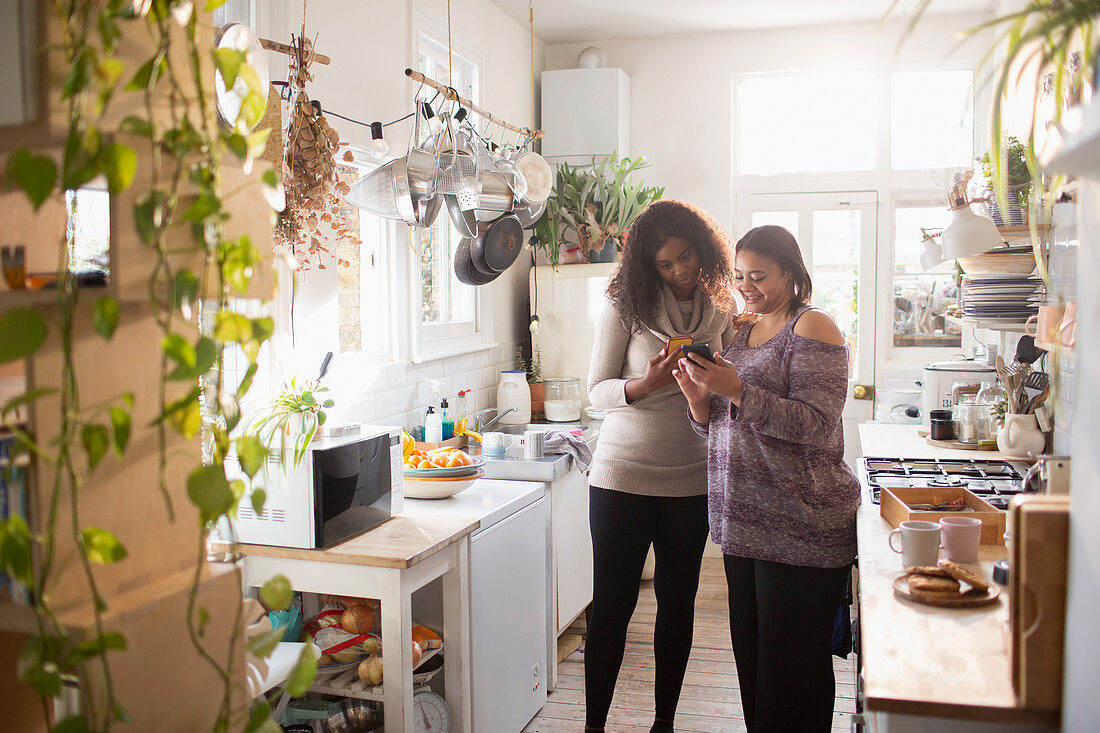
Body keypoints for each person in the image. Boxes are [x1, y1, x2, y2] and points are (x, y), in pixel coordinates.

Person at [672, 224, 859, 733]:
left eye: (759, 275)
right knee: (755, 667)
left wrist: (735, 391)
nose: (746, 285)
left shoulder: (813, 327)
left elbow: (818, 426)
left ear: (792, 274)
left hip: (801, 526)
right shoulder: (743, 331)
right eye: (739, 275)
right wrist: (699, 402)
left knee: (792, 676)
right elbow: (725, 424)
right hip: (743, 526)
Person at [585, 199, 741, 733]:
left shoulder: (721, 309)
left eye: (686, 257)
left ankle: (664, 723)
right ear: (645, 266)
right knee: (612, 607)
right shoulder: (624, 308)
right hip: (622, 475)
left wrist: (710, 383)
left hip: (691, 477)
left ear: (703, 249)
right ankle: (593, 726)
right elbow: (595, 393)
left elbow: (731, 394)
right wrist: (645, 385)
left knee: (679, 604)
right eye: (665, 264)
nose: (679, 271)